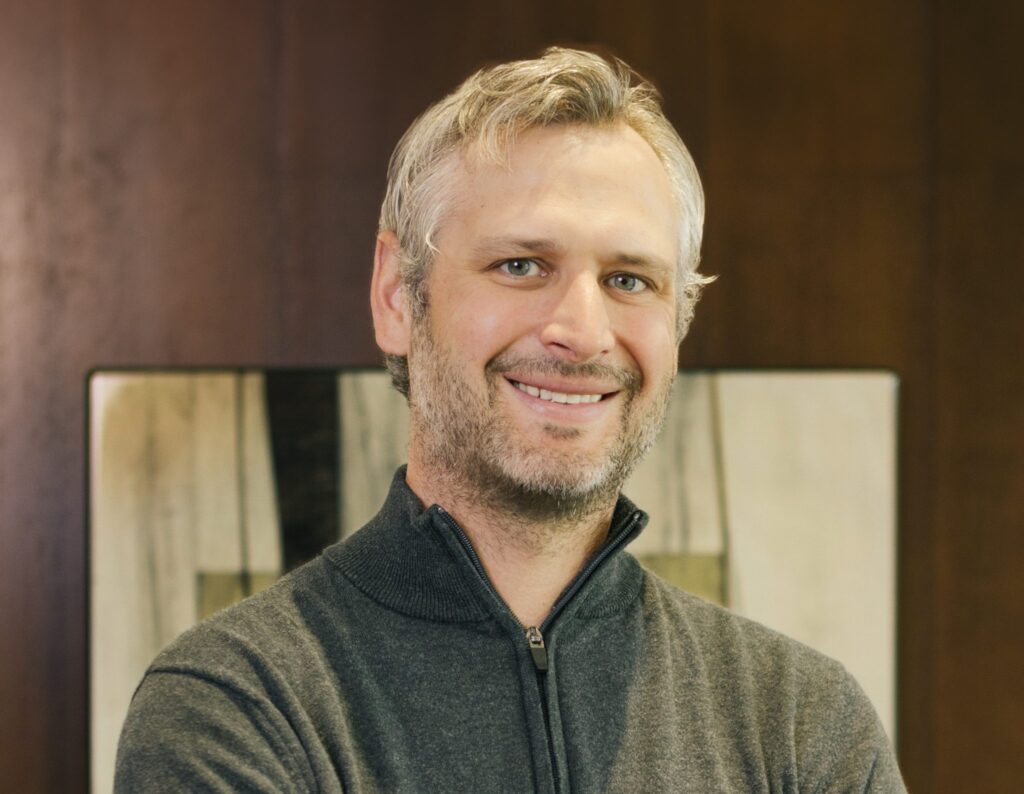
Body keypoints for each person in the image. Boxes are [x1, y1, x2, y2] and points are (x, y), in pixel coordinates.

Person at [115, 48, 906, 792]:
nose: (583, 330)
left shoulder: (803, 726)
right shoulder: (238, 707)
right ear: (397, 297)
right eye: (521, 266)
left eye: (630, 279)